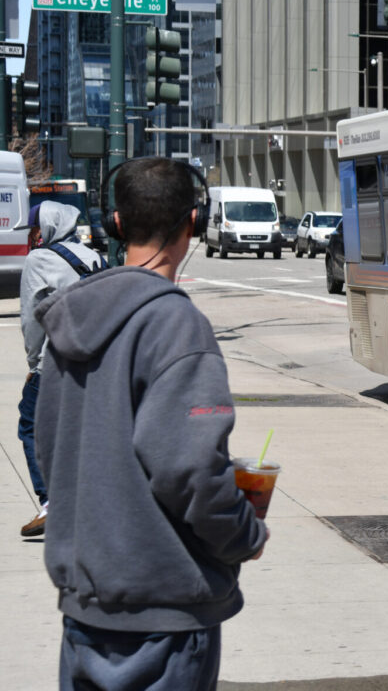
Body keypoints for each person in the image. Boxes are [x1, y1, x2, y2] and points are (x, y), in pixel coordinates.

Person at [35, 158, 267, 690]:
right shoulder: (176, 324)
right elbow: (189, 468)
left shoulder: (69, 319)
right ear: (193, 223)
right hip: (163, 615)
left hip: (87, 610)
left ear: (115, 223)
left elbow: (52, 451)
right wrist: (243, 535)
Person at [17, 201, 103, 538]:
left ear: (49, 226)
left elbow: (32, 319)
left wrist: (33, 364)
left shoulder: (39, 259)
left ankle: (52, 501)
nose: (33, 235)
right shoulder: (92, 256)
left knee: (30, 425)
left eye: (35, 228)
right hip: (93, 360)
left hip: (55, 361)